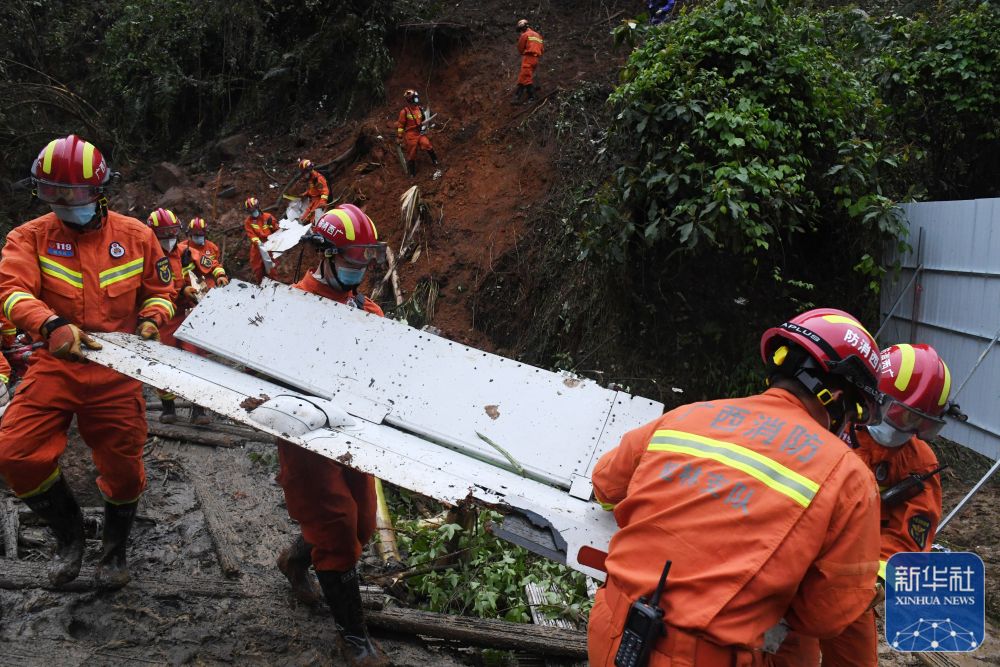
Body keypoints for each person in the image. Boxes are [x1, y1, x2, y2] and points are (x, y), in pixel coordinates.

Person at [588, 308, 884, 666]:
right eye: (853, 415)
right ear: (837, 399)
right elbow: (824, 616)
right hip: (702, 656)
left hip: (611, 629)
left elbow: (605, 486)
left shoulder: (688, 414)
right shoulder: (848, 475)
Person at [0, 135, 175, 588]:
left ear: (100, 190)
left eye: (72, 193)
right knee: (15, 453)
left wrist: (154, 319)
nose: (61, 202)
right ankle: (70, 536)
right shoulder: (29, 237)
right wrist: (48, 324)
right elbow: (11, 291)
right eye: (50, 192)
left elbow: (161, 291)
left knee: (124, 467)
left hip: (118, 369)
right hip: (56, 362)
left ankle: (113, 554)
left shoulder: (137, 236)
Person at [773, 343, 959, 667]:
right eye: (900, 413)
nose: (904, 427)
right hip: (794, 569)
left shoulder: (920, 463)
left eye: (919, 422)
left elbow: (908, 542)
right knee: (787, 655)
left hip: (854, 579)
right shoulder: (832, 423)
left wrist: (869, 586)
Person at [274, 203, 388, 666]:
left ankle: (296, 559)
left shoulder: (369, 310)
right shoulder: (287, 307)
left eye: (364, 262)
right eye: (349, 261)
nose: (357, 271)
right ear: (322, 254)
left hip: (351, 434)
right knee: (338, 530)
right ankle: (353, 641)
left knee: (362, 524)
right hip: (305, 437)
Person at [145, 208, 205, 425]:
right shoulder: (145, 255)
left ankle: (198, 409)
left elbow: (194, 273)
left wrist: (195, 287)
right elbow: (150, 288)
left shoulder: (183, 253)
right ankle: (168, 407)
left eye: (172, 234)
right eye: (163, 235)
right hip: (161, 317)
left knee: (195, 360)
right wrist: (180, 292)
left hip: (186, 313)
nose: (169, 239)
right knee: (163, 361)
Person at [396, 89, 440, 178]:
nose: (417, 100)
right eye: (415, 98)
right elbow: (400, 125)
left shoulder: (419, 109)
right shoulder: (404, 112)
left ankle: (435, 160)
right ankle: (412, 173)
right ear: (410, 100)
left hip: (419, 132)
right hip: (410, 135)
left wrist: (424, 126)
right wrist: (400, 136)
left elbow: (423, 119)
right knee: (412, 153)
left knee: (427, 144)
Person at [179, 217, 229, 288]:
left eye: (201, 234)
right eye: (195, 234)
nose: (198, 236)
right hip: (188, 283)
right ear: (190, 234)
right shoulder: (182, 247)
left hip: (209, 282)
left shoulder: (212, 247)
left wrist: (221, 275)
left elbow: (215, 265)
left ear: (205, 234)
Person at [243, 196, 280, 283]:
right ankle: (260, 284)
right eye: (250, 211)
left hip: (270, 245)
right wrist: (259, 243)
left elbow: (277, 230)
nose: (253, 212)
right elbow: (251, 235)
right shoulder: (248, 222)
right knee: (257, 268)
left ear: (258, 207)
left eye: (253, 209)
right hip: (257, 247)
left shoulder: (268, 217)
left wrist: (273, 226)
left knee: (272, 268)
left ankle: (274, 284)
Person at [514, 19, 544, 104]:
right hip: (536, 59)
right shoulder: (538, 35)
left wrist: (524, 53)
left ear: (522, 28)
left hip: (528, 58)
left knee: (526, 77)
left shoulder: (525, 35)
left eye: (520, 30)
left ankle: (532, 96)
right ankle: (517, 96)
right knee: (523, 76)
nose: (520, 32)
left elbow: (520, 47)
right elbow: (542, 49)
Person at [296, 159, 329, 225]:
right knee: (303, 218)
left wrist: (323, 202)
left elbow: (325, 191)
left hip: (319, 200)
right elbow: (313, 189)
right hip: (313, 200)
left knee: (313, 220)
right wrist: (306, 193)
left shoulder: (318, 179)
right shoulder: (311, 178)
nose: (304, 175)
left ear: (309, 170)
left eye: (304, 173)